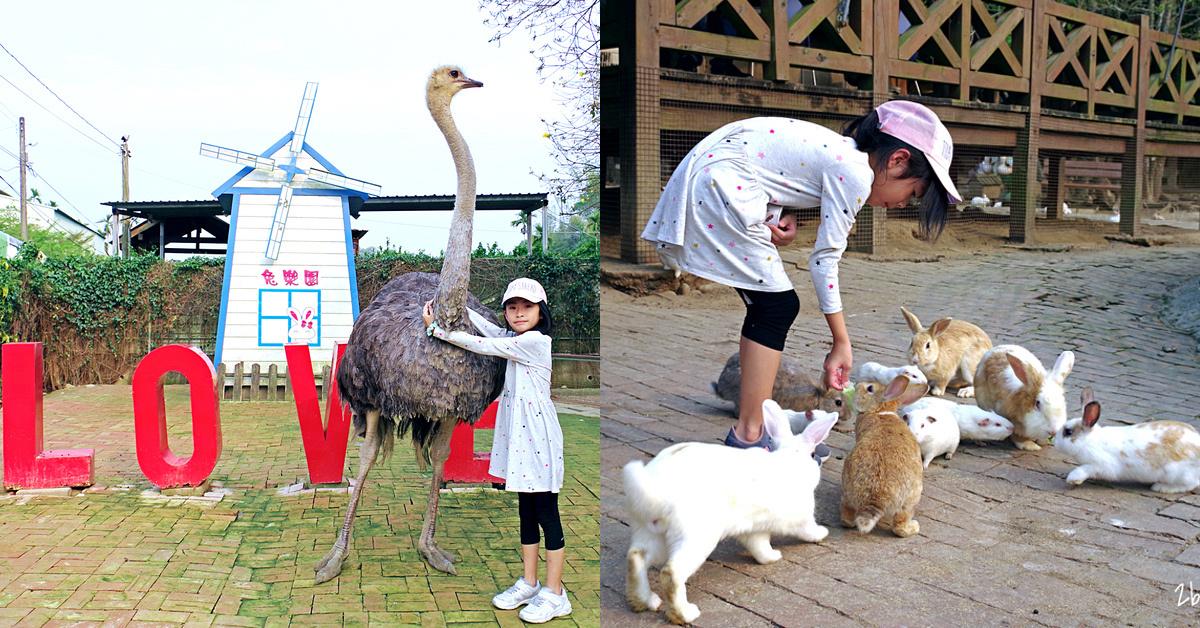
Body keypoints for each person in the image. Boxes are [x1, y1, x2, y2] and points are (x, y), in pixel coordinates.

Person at [641, 100, 961, 449]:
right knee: (777, 307)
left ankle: (752, 430)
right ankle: (750, 436)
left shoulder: (846, 156)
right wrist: (841, 342)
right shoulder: (856, 173)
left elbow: (772, 168)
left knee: (769, 307)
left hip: (722, 177)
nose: (902, 204)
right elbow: (824, 259)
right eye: (912, 193)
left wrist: (774, 216)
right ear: (897, 160)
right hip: (719, 184)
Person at [421, 278, 570, 623]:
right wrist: (457, 302)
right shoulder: (516, 339)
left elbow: (481, 343)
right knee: (526, 513)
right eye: (512, 307)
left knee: (547, 515)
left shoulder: (535, 341)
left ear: (541, 311)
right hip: (519, 440)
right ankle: (529, 583)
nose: (519, 313)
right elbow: (488, 329)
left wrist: (437, 330)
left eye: (527, 307)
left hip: (539, 440)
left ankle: (555, 592)